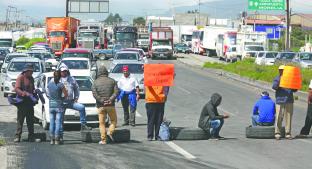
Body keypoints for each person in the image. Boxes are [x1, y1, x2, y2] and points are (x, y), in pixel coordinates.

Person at [58, 64, 91, 140]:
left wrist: (76, 97)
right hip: (61, 103)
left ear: (67, 71)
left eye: (65, 71)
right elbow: (50, 90)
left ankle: (83, 125)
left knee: (81, 107)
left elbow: (76, 88)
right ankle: (60, 136)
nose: (64, 72)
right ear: (60, 72)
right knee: (60, 120)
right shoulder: (57, 79)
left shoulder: (72, 79)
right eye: (62, 71)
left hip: (70, 102)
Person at [92, 66, 119, 145]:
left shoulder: (95, 82)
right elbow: (116, 92)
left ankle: (103, 140)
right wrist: (110, 99)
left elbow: (94, 94)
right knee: (113, 120)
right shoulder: (112, 81)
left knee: (102, 123)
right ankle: (110, 132)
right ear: (106, 72)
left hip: (101, 106)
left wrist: (101, 100)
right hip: (111, 105)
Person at [272, 65, 297, 140]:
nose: (281, 71)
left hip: (289, 100)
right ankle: (277, 133)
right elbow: (274, 87)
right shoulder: (277, 78)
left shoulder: (290, 78)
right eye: (280, 70)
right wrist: (280, 80)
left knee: (288, 118)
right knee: (279, 117)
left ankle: (288, 133)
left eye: (282, 70)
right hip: (280, 100)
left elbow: (294, 90)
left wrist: (295, 85)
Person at [14, 64, 37, 142]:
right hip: (22, 102)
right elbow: (16, 88)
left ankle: (31, 136)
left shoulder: (31, 78)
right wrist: (23, 93)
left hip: (30, 103)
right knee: (20, 120)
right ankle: (17, 136)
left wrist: (35, 93)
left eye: (32, 71)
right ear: (26, 71)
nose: (32, 73)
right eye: (30, 71)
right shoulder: (20, 77)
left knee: (30, 120)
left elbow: (32, 88)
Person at [47, 70, 68, 145]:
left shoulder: (49, 84)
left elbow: (48, 94)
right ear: (60, 77)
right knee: (58, 122)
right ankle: (57, 138)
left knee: (52, 122)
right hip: (59, 105)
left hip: (51, 105)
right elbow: (66, 94)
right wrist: (61, 99)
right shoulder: (60, 85)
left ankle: (51, 139)